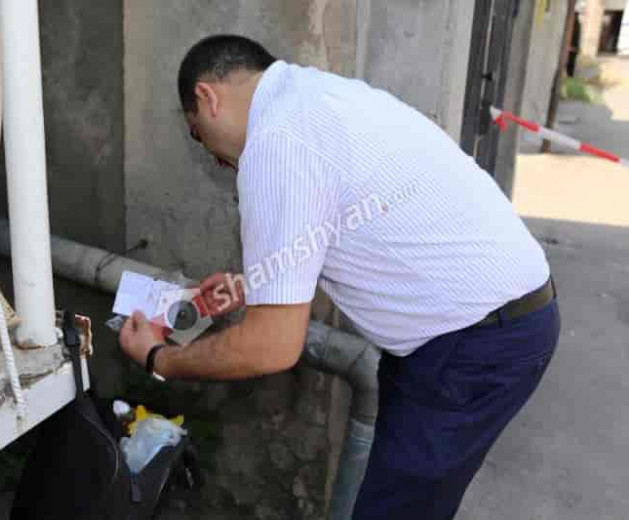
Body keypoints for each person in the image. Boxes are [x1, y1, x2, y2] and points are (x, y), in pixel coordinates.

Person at [119, 34, 561, 520]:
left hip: (474, 346)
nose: (213, 158)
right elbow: (339, 221)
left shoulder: (274, 145)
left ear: (208, 98)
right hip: (484, 324)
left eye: (196, 134)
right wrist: (254, 283)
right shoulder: (313, 96)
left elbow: (271, 347)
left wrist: (161, 358)